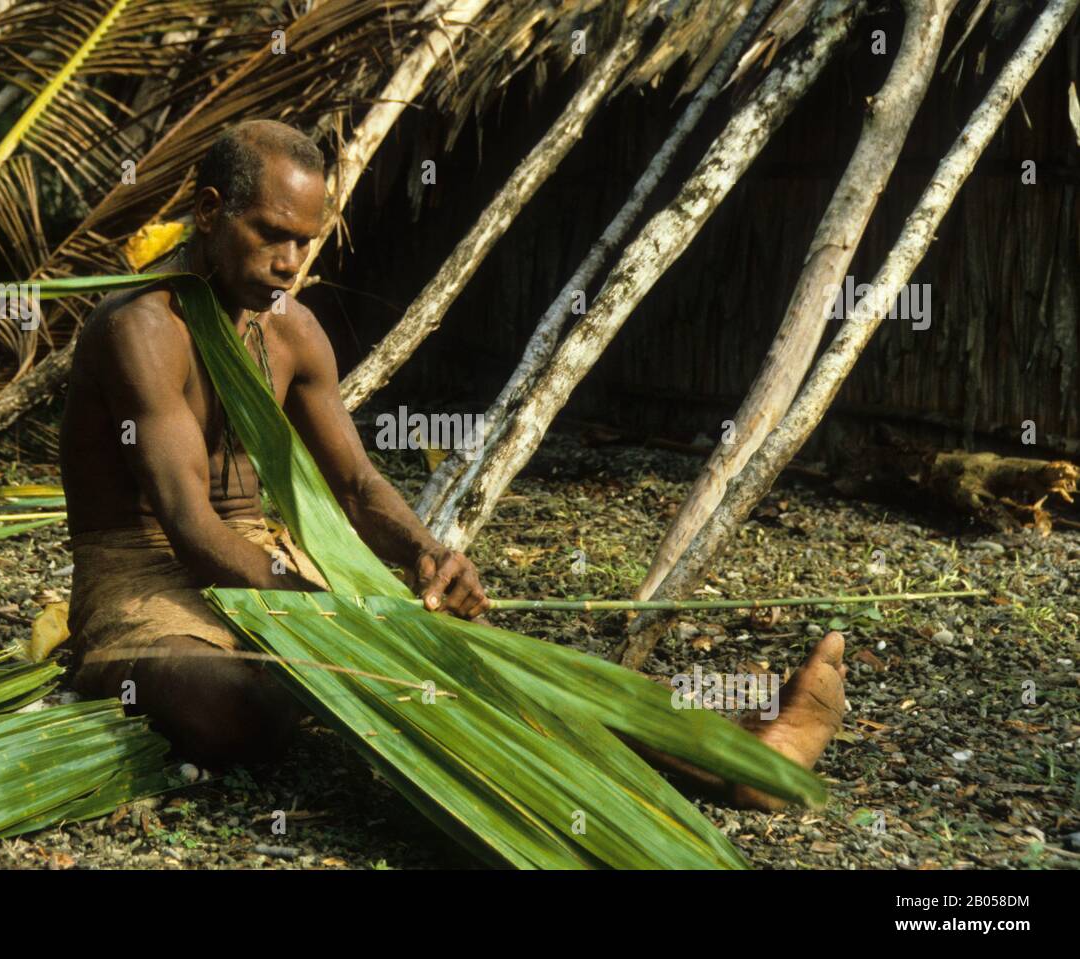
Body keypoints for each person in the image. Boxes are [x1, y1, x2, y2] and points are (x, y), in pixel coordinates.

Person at [60, 119, 846, 809]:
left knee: (464, 651)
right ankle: (105, 670)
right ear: (209, 213)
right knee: (242, 709)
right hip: (146, 577)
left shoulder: (292, 333)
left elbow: (360, 487)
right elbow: (190, 523)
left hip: (266, 564)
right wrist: (324, 611)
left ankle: (741, 749)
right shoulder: (144, 329)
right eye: (272, 234)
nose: (291, 260)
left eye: (307, 240)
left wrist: (427, 555)